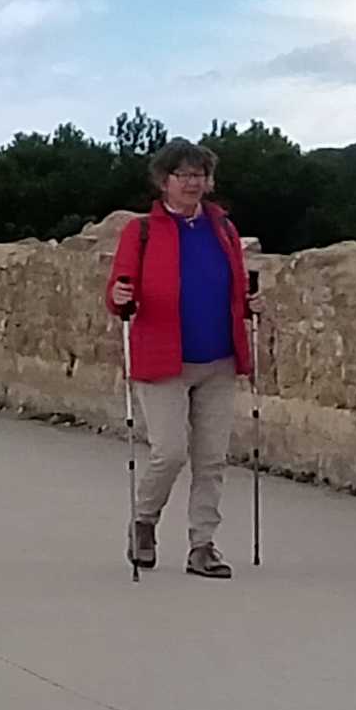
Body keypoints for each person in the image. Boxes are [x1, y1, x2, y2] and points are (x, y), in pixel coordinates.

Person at [106, 138, 263, 579]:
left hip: (218, 358)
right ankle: (144, 520)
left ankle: (202, 545)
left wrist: (250, 304)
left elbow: (234, 289)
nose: (193, 183)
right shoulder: (141, 232)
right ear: (164, 181)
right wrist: (119, 296)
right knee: (170, 453)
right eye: (184, 175)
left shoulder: (223, 229)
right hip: (163, 360)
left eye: (200, 174)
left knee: (212, 459)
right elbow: (118, 293)